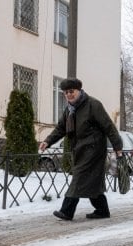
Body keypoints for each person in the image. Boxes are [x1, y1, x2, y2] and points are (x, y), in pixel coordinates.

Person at [39, 78, 123, 221]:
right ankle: (102, 210)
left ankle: (67, 211)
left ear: (79, 91)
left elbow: (109, 126)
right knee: (91, 182)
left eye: (71, 91)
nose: (69, 95)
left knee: (79, 177)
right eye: (66, 93)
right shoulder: (70, 110)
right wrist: (47, 141)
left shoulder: (93, 105)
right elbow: (61, 128)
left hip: (94, 150)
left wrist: (118, 147)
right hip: (79, 150)